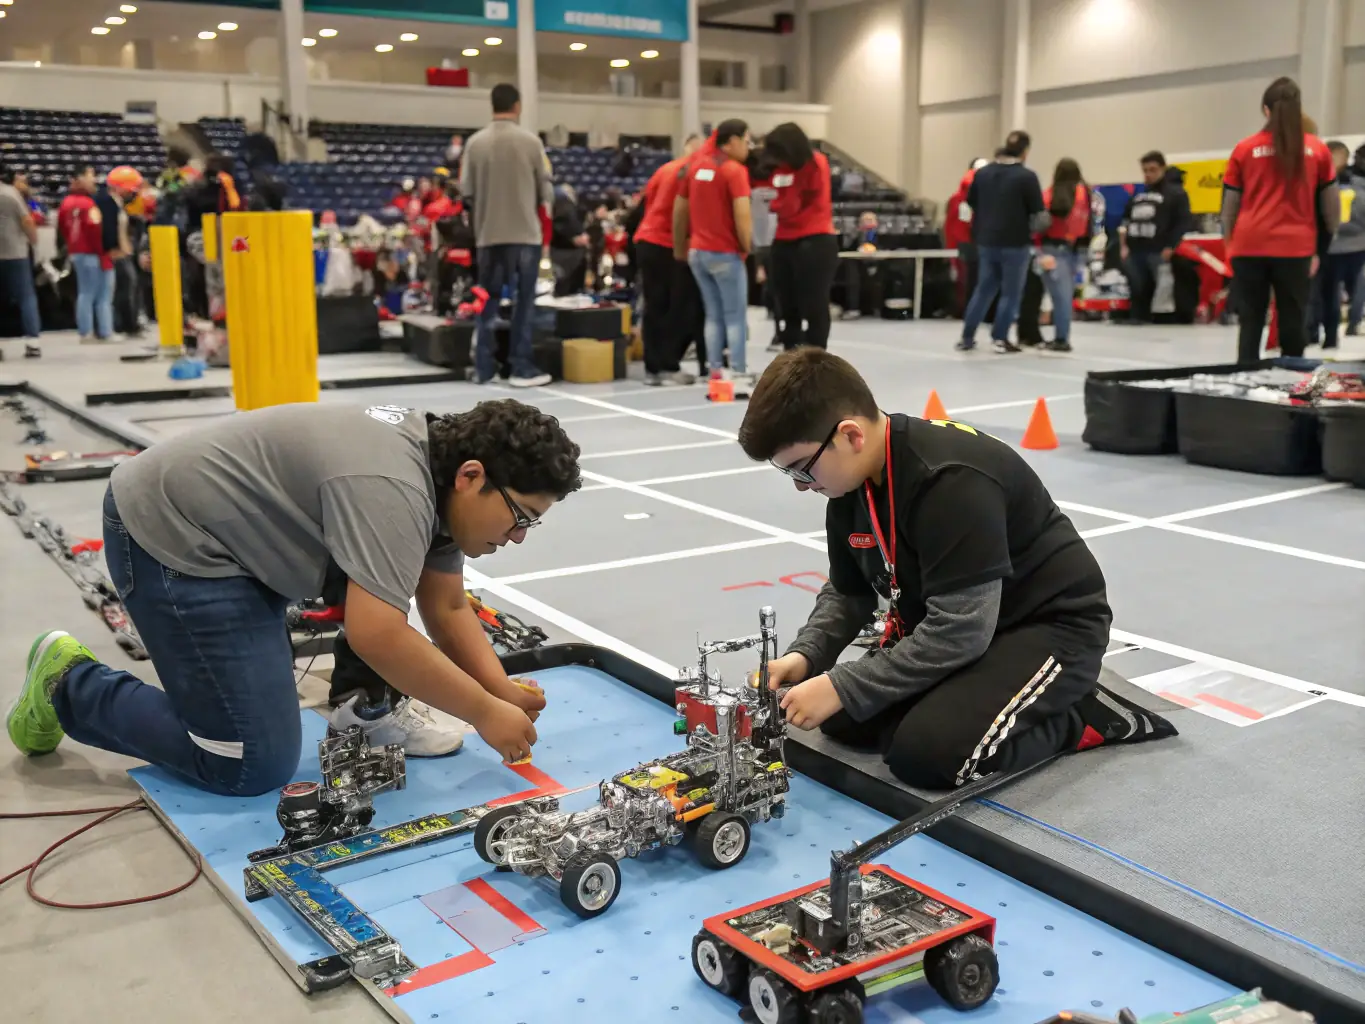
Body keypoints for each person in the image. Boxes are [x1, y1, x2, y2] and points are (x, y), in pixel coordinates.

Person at [7, 399, 580, 786]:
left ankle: (362, 706)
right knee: (247, 762)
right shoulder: (394, 486)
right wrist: (482, 712)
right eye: (520, 516)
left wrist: (499, 688)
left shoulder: (441, 474)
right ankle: (70, 684)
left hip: (242, 547)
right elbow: (377, 635)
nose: (519, 536)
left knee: (376, 597)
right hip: (175, 540)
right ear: (472, 476)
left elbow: (446, 606)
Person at [735, 349, 1177, 789]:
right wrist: (805, 656)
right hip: (968, 626)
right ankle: (992, 698)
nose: (800, 485)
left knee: (928, 755)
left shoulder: (949, 480)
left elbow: (961, 632)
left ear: (851, 435)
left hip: (1049, 628)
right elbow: (849, 591)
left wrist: (842, 685)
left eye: (802, 468)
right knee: (844, 720)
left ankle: (1081, 715)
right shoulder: (849, 484)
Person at [1222, 77, 1339, 362]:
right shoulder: (1318, 150)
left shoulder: (1244, 149)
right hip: (1295, 248)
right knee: (1292, 321)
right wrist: (1322, 246)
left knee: (1251, 320)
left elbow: (1229, 207)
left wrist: (1229, 243)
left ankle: (1246, 376)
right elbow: (1331, 209)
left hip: (1249, 246)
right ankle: (1292, 380)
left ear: (1266, 110)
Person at [460, 83, 554, 387]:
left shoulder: (474, 144)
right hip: (525, 234)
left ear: (492, 105)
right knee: (523, 303)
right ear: (517, 106)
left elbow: (466, 192)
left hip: (488, 235)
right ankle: (520, 367)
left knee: (486, 302)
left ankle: (484, 368)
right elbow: (545, 192)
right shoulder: (531, 143)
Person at [674, 120, 755, 393]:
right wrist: (746, 246)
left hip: (698, 253)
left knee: (713, 315)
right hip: (724, 252)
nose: (748, 147)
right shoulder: (734, 171)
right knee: (735, 316)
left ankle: (715, 372)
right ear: (731, 142)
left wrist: (680, 246)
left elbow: (680, 209)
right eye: (746, 141)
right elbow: (742, 214)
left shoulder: (696, 167)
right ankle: (739, 373)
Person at [957, 131, 1047, 354]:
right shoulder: (1027, 177)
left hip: (986, 241)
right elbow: (1038, 213)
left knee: (983, 290)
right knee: (1010, 293)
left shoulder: (983, 173)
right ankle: (1000, 338)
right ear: (1025, 151)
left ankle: (967, 337)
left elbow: (970, 203)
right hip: (1015, 242)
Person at [634, 134, 703, 385]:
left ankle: (653, 368)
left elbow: (646, 204)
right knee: (680, 308)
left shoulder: (664, 169)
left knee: (654, 306)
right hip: (669, 244)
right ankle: (667, 364)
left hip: (647, 240)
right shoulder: (694, 172)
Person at [764, 122, 838, 351]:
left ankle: (817, 356)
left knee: (815, 304)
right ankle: (791, 354)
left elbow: (789, 205)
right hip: (784, 239)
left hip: (815, 239)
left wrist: (777, 204)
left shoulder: (817, 163)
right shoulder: (780, 169)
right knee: (786, 304)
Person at [1117, 152, 1189, 325]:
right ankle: (1138, 319)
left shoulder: (1176, 194)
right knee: (1137, 289)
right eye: (1145, 170)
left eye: (1152, 170)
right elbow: (1125, 221)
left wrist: (1171, 246)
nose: (1148, 174)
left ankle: (1162, 322)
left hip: (1159, 250)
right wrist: (1123, 246)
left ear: (1162, 169)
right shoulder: (1137, 195)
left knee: (1163, 293)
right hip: (1135, 251)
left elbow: (1182, 222)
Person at [1028, 158, 1090, 353]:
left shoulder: (1049, 196)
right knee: (1065, 296)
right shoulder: (1085, 195)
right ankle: (1062, 335)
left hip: (1050, 250)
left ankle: (1061, 338)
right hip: (1075, 250)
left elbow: (1038, 227)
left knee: (1057, 297)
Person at [58, 163, 116, 344]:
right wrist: (103, 253)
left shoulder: (66, 203)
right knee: (102, 294)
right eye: (90, 176)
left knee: (85, 292)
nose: (94, 180)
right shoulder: (89, 204)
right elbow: (95, 230)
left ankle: (87, 331)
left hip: (77, 252)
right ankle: (103, 331)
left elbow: (62, 229)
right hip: (93, 252)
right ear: (79, 178)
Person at [1318, 141, 1365, 350]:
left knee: (1357, 291)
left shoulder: (1357, 182)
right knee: (1327, 294)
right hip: (1329, 247)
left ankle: (1353, 324)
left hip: (1356, 246)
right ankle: (1327, 335)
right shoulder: (1318, 181)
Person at [0, 162, 42, 359]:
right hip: (16, 253)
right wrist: (34, 241)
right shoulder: (10, 194)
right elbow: (26, 220)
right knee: (26, 297)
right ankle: (32, 342)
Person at [103, 165, 145, 340]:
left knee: (130, 288)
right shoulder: (109, 205)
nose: (133, 194)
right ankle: (125, 325)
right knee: (123, 290)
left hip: (124, 252)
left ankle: (131, 322)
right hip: (117, 254)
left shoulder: (120, 205)